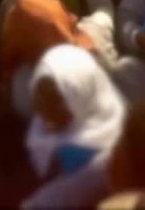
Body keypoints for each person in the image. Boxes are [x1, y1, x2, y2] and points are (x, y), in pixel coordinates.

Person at [0, 0, 118, 117]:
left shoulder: (22, 86)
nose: (73, 16)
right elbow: (103, 8)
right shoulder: (94, 36)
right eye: (64, 13)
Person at [22, 45, 126, 208]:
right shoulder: (44, 123)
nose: (43, 109)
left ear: (82, 93)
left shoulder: (99, 154)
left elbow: (60, 197)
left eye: (55, 100)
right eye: (39, 96)